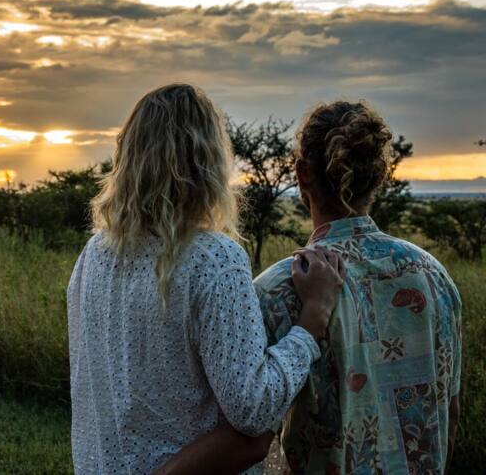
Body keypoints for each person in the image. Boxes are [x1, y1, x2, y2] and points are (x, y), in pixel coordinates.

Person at [160, 100, 462, 474]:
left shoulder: (277, 291)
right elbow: (449, 410)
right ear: (381, 176)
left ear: (302, 175)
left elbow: (249, 434)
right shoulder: (434, 278)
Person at [66, 84, 345, 474]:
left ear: (128, 157)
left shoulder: (93, 254)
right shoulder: (212, 258)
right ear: (207, 161)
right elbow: (253, 408)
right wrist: (311, 320)